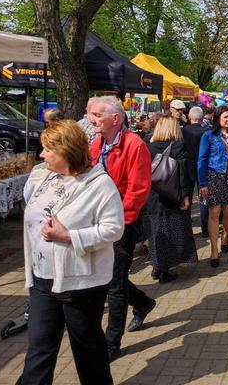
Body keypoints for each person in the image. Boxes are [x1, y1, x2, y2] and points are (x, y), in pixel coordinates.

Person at [17, 120, 123, 385]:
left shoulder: (100, 184)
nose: (41, 155)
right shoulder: (47, 176)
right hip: (42, 279)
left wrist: (69, 237)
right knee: (39, 348)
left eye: (47, 150)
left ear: (66, 151)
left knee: (88, 350)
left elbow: (113, 229)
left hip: (81, 284)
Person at [88, 96, 155, 362]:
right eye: (90, 113)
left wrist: (119, 222)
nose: (91, 118)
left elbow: (138, 190)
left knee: (113, 284)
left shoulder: (134, 145)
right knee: (107, 276)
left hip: (121, 224)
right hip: (97, 223)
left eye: (96, 114)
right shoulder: (97, 144)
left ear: (115, 119)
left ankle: (111, 343)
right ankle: (143, 303)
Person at [142, 116, 197, 283]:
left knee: (156, 232)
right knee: (173, 232)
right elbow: (183, 174)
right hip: (173, 196)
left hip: (153, 197)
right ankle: (166, 270)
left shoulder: (148, 147)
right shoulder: (179, 146)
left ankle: (157, 266)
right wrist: (185, 196)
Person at [198, 105, 228, 267]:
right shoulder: (208, 136)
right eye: (225, 117)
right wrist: (203, 182)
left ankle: (225, 235)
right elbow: (202, 160)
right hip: (213, 176)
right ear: (218, 118)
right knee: (214, 212)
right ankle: (213, 250)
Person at [182, 106, 210, 236]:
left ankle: (186, 228)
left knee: (186, 197)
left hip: (187, 168)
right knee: (204, 198)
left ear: (189, 118)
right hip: (203, 169)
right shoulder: (207, 132)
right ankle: (205, 229)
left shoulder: (183, 132)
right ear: (202, 118)